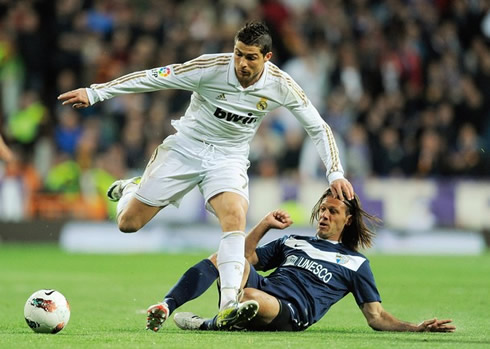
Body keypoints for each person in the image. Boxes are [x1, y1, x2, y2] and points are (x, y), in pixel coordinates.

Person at [57, 21, 354, 327]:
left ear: (267, 57)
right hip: (186, 148)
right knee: (128, 224)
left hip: (229, 158)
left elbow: (318, 127)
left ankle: (229, 302)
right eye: (238, 53)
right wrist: (96, 93)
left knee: (235, 216)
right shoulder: (210, 67)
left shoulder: (281, 84)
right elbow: (154, 77)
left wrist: (335, 173)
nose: (241, 62)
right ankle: (133, 188)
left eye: (250, 57)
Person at [146, 188, 455, 333]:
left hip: (291, 311)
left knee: (252, 297)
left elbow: (376, 317)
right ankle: (169, 304)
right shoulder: (294, 241)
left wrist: (417, 328)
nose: (324, 214)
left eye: (333, 211)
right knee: (223, 258)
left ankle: (209, 325)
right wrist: (264, 224)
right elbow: (243, 257)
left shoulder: (356, 265)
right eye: (322, 209)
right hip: (260, 289)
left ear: (347, 220)